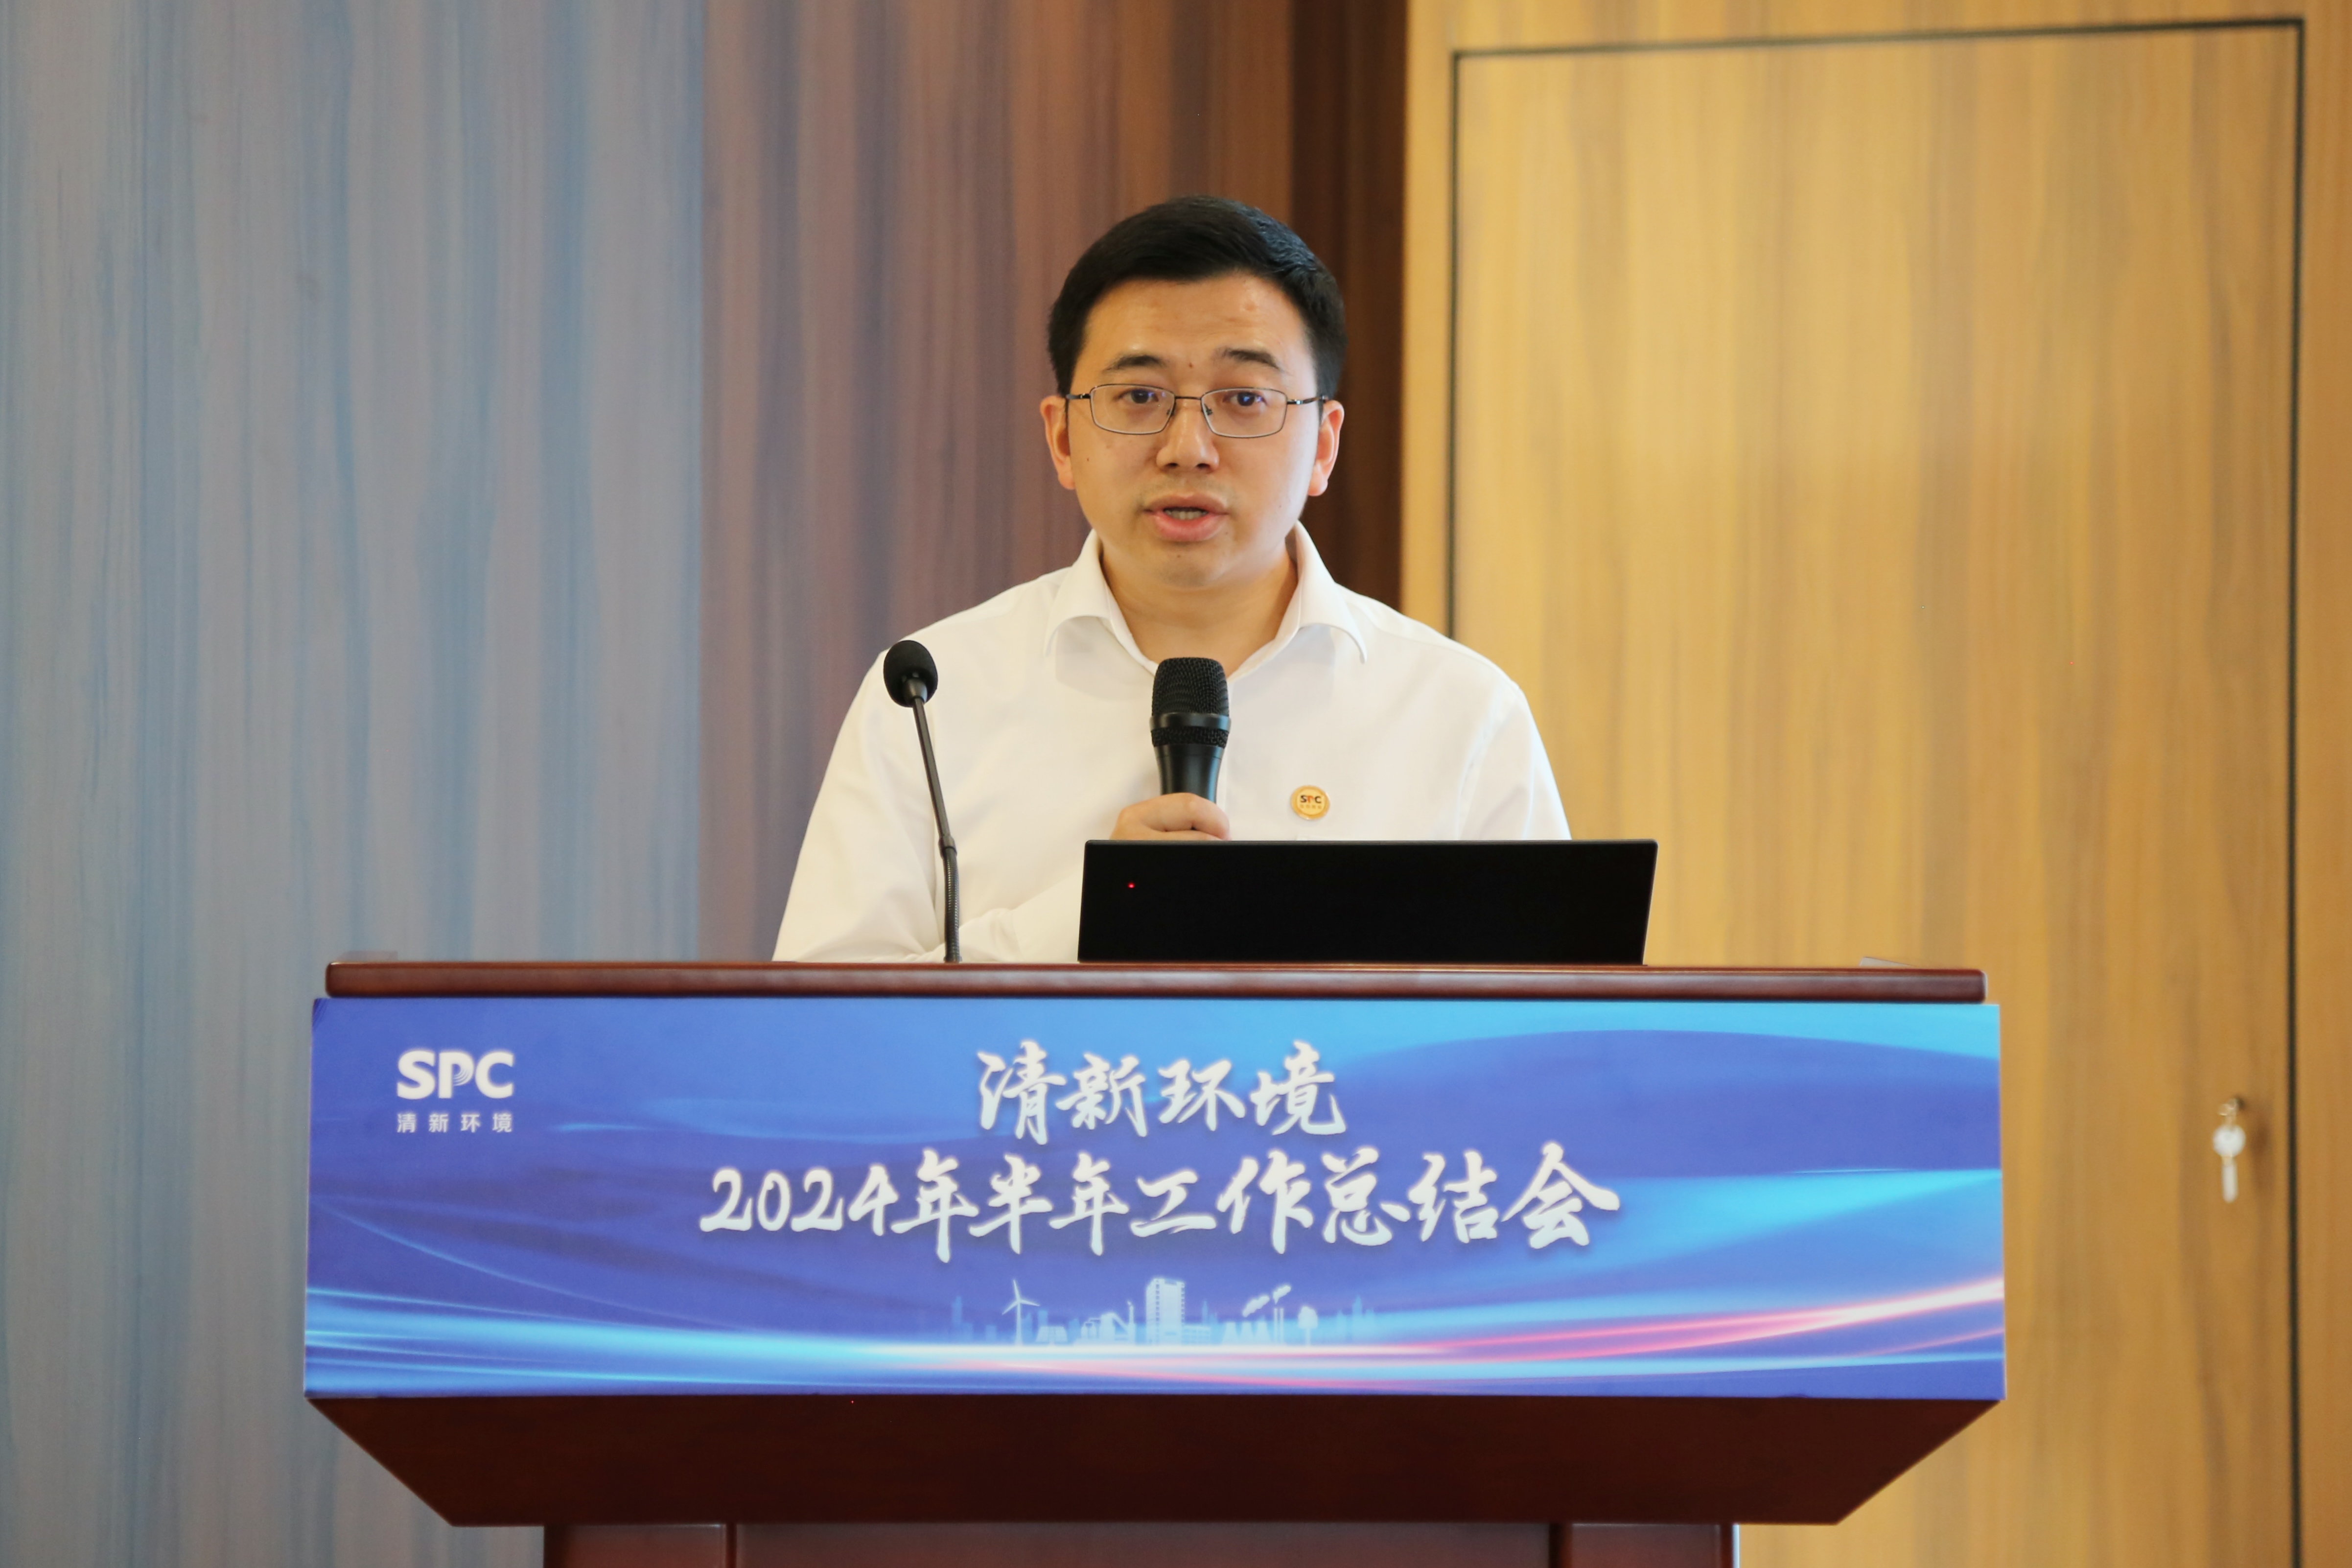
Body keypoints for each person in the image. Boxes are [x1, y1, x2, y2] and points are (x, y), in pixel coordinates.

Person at [775, 196, 1567, 962]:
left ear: (1323, 445)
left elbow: (1550, 1022)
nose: (1188, 447)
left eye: (1245, 398)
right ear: (1062, 438)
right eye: (1140, 396)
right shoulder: (928, 696)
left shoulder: (1458, 712)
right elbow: (821, 1022)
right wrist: (1096, 910)